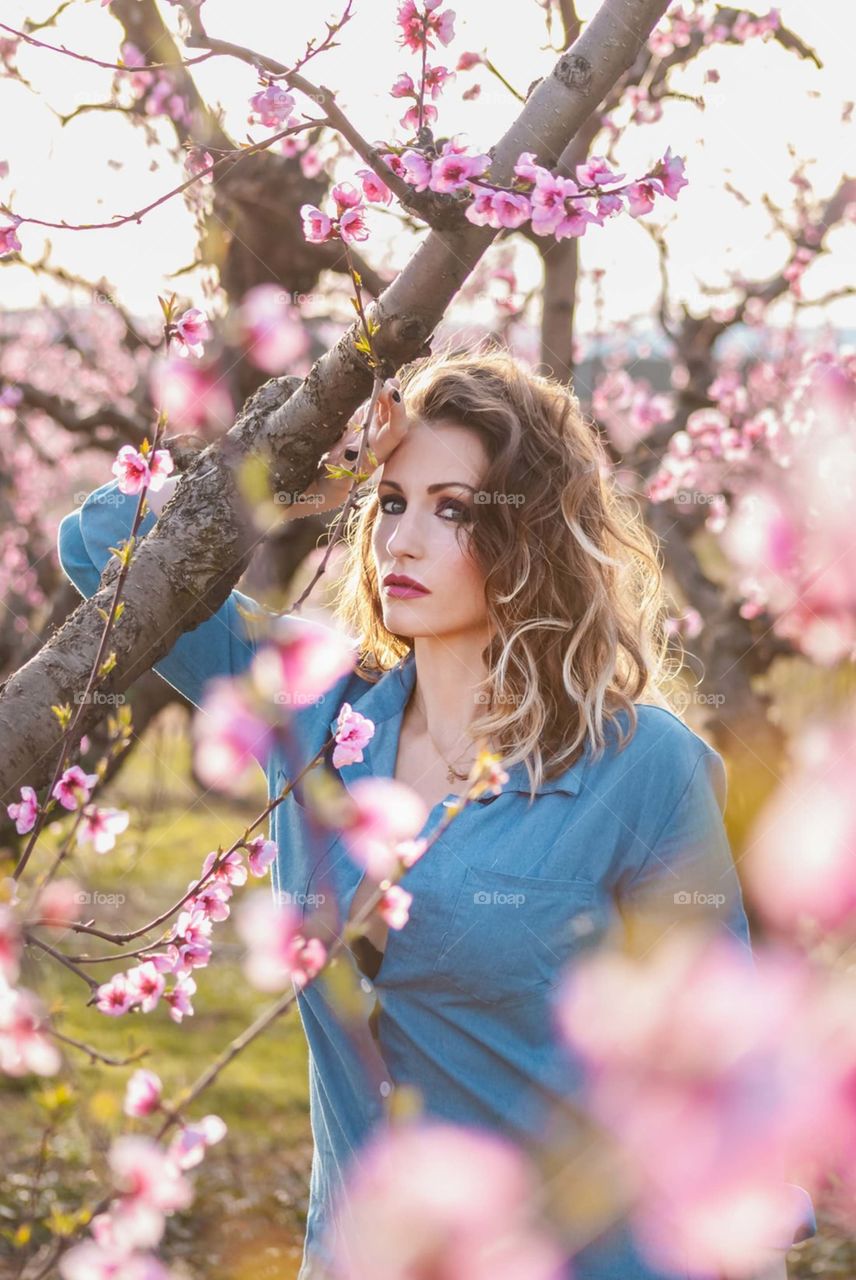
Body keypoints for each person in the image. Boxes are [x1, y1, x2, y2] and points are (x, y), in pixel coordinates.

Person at [57, 345, 815, 1280]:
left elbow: (718, 1069)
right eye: (392, 503)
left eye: (451, 509)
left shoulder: (641, 767)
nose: (400, 542)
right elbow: (101, 541)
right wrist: (293, 477)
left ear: (529, 533)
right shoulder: (311, 708)